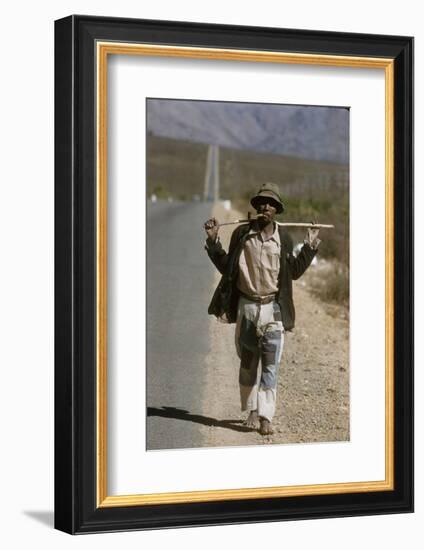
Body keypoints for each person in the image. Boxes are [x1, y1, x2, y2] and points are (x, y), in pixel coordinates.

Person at [204, 183, 320, 435]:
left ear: (277, 209)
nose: (266, 207)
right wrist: (213, 243)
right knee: (248, 363)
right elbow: (228, 268)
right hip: (246, 307)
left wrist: (310, 247)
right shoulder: (242, 235)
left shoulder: (284, 239)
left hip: (273, 309)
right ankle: (252, 410)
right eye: (262, 203)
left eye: (271, 204)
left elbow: (296, 272)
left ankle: (266, 416)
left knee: (270, 365)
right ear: (256, 207)